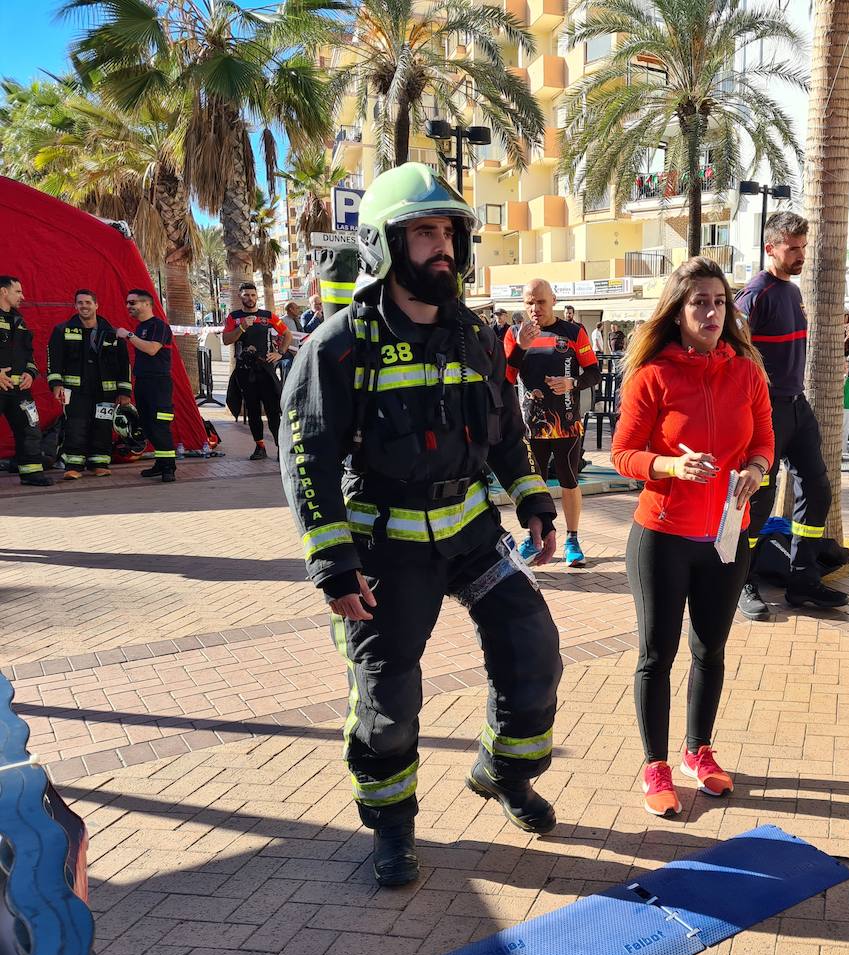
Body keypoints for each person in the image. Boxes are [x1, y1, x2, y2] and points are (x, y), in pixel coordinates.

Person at [279, 163, 563, 885]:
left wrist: (533, 499)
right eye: (424, 233)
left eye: (448, 233)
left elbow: (505, 434)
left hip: (472, 536)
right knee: (388, 698)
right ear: (385, 245)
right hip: (387, 548)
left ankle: (505, 772)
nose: (442, 247)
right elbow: (307, 455)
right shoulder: (340, 346)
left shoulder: (477, 337)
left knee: (532, 647)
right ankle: (392, 825)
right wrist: (333, 563)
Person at [610, 257, 772, 818]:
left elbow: (765, 441)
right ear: (677, 311)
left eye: (719, 302)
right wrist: (671, 467)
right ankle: (655, 764)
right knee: (657, 654)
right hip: (662, 536)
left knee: (710, 649)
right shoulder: (653, 374)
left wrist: (756, 469)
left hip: (726, 536)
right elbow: (623, 455)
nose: (711, 312)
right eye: (699, 302)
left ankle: (697, 752)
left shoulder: (746, 371)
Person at [733, 211, 847, 618]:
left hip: (797, 406)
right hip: (765, 411)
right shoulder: (754, 295)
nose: (801, 255)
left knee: (817, 489)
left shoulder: (792, 290)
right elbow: (732, 355)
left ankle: (802, 579)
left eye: (803, 247)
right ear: (771, 248)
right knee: (758, 500)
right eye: (793, 248)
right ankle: (741, 582)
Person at [505, 279, 601, 568]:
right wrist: (520, 347)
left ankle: (572, 539)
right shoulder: (514, 333)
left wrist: (572, 382)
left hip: (566, 423)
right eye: (530, 303)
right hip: (531, 425)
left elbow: (594, 373)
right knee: (533, 484)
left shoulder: (573, 331)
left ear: (554, 301)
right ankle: (533, 537)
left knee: (569, 480)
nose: (535, 308)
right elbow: (505, 377)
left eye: (541, 302)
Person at [47, 289, 131, 479]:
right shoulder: (62, 330)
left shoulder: (112, 333)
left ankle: (99, 463)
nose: (84, 306)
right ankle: (73, 466)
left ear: (96, 305)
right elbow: (54, 359)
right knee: (75, 426)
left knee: (103, 425)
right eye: (80, 303)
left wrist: (124, 391)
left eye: (88, 302)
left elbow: (124, 364)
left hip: (105, 392)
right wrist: (56, 384)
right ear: (75, 306)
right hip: (74, 391)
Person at [223, 282, 291, 460]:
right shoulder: (234, 317)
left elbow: (287, 334)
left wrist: (280, 353)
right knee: (252, 411)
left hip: (266, 370)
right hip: (245, 371)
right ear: (240, 296)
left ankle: (280, 448)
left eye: (253, 295)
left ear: (257, 296)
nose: (250, 298)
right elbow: (226, 340)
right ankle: (260, 447)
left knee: (273, 411)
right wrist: (242, 327)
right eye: (246, 295)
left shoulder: (267, 316)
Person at [0, 276, 53, 487]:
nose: (22, 296)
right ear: (3, 292)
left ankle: (31, 473)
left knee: (30, 429)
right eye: (18, 291)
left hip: (20, 391)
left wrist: (30, 374)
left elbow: (29, 355)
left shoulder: (19, 321)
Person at [120, 288, 177, 483]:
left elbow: (152, 349)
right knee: (147, 424)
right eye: (127, 303)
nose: (128, 306)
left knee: (160, 424)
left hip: (159, 384)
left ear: (146, 304)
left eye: (132, 303)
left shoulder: (159, 326)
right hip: (143, 382)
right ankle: (161, 463)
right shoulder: (140, 327)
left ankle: (169, 467)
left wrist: (128, 335)